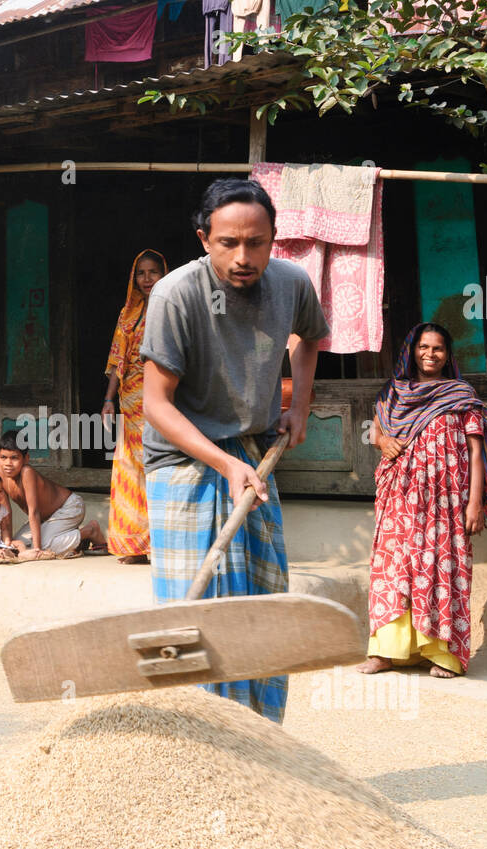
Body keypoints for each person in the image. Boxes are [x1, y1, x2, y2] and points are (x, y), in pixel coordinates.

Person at [142, 178, 328, 723]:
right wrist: (223, 463)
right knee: (195, 613)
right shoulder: (174, 295)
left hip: (253, 450)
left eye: (257, 242)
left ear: (275, 239)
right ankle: (197, 737)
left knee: (260, 600)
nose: (243, 257)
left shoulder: (292, 283)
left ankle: (257, 734)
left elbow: (310, 338)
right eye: (228, 243)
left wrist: (298, 404)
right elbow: (156, 404)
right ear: (204, 238)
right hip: (184, 460)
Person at [358, 323, 487, 678]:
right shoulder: (393, 393)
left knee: (442, 567)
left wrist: (474, 503)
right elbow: (376, 430)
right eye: (423, 347)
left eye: (438, 348)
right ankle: (386, 652)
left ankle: (443, 653)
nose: (430, 354)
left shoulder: (461, 395)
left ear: (447, 354)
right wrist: (381, 442)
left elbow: (476, 449)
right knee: (395, 566)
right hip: (400, 496)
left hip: (447, 501)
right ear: (412, 350)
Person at [103, 249, 168, 564]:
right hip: (129, 403)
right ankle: (132, 543)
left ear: (163, 273)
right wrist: (107, 400)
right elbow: (118, 359)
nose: (147, 278)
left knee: (156, 465)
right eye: (141, 273)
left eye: (153, 271)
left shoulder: (171, 309)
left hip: (160, 397)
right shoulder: (126, 314)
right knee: (130, 470)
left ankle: (158, 542)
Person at [0, 430, 104, 559]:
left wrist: (37, 549)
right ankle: (77, 542)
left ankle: (90, 531)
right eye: (3, 457)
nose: (8, 463)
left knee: (44, 547)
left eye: (14, 458)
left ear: (26, 458)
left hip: (69, 507)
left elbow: (34, 511)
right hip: (45, 519)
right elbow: (6, 513)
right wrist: (7, 542)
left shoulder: (27, 472)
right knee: (18, 546)